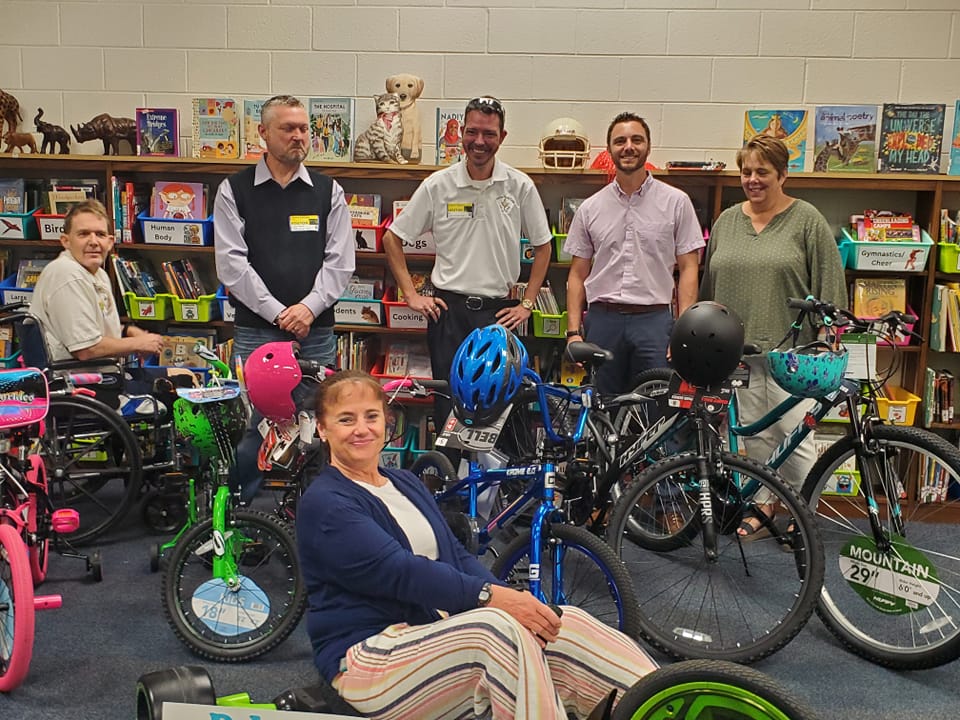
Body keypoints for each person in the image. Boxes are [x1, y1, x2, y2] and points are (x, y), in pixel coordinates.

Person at [297, 369, 659, 720]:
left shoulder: (405, 482)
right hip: (367, 657)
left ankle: (671, 699)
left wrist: (517, 605)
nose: (361, 429)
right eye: (346, 420)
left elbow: (455, 556)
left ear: (386, 423)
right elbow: (400, 572)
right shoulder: (325, 503)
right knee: (497, 633)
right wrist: (495, 600)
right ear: (323, 428)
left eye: (370, 416)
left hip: (432, 633)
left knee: (564, 623)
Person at [699, 134, 847, 537]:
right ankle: (763, 510)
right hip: (738, 353)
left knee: (795, 437)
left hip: (793, 353)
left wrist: (830, 337)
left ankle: (804, 516)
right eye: (746, 171)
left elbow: (829, 283)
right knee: (757, 436)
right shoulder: (728, 221)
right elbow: (709, 283)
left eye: (762, 171)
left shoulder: (807, 220)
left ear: (783, 174)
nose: (752, 179)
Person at [214, 94, 355, 502]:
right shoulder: (234, 190)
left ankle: (313, 513)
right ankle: (244, 518)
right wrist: (280, 314)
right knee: (255, 431)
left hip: (316, 334)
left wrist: (308, 308)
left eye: (303, 128)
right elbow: (232, 266)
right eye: (287, 128)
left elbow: (341, 263)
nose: (298, 136)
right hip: (257, 334)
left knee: (318, 431)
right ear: (262, 133)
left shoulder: (328, 191)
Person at [382, 95, 553, 426]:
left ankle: (499, 479)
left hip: (499, 315)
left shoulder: (519, 186)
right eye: (472, 132)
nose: (479, 142)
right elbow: (392, 238)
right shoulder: (438, 185)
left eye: (489, 134)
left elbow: (544, 247)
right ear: (460, 133)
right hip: (449, 316)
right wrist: (411, 295)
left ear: (502, 138)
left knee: (503, 410)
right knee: (449, 409)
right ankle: (449, 477)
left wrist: (528, 304)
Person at [564, 112, 704, 395]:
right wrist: (573, 333)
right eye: (620, 141)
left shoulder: (676, 203)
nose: (628, 146)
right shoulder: (590, 208)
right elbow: (577, 274)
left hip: (653, 322)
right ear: (610, 149)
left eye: (636, 140)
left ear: (648, 147)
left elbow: (689, 269)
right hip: (603, 322)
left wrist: (683, 334)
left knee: (657, 409)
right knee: (602, 408)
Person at [28, 199, 163, 365]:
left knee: (181, 376)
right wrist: (138, 344)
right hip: (79, 383)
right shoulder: (68, 274)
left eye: (100, 234)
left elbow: (91, 327)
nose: (93, 241)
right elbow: (86, 349)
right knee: (178, 381)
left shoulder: (97, 274)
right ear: (66, 241)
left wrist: (128, 330)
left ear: (110, 242)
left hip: (103, 376)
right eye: (83, 234)